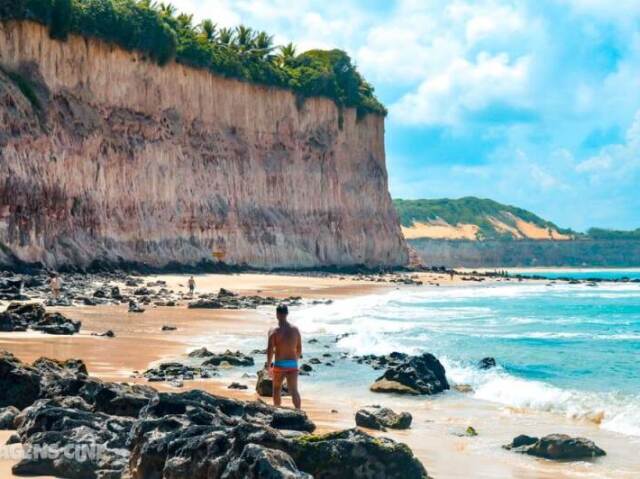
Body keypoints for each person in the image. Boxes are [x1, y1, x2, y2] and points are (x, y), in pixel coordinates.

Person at [266, 304, 302, 409]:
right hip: (292, 364)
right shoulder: (295, 330)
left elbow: (270, 350)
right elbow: (299, 349)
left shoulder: (273, 331)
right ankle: (298, 411)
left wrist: (269, 366)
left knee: (277, 388)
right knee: (294, 390)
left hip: (279, 364)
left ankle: (277, 409)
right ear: (287, 314)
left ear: (277, 314)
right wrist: (295, 361)